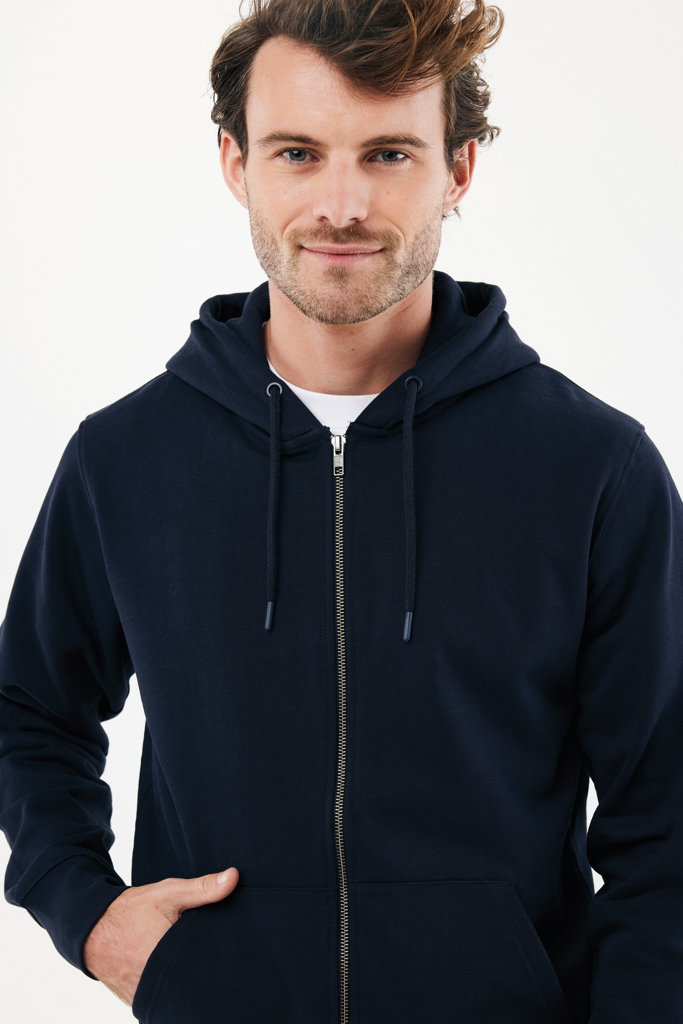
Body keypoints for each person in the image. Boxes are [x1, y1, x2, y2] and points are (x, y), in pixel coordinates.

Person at [1, 0, 682, 1021]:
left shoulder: (593, 467)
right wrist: (85, 910)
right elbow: (27, 708)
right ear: (236, 165)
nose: (341, 203)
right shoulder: (127, 458)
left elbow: (665, 818)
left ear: (457, 170)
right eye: (297, 153)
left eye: (388, 154)